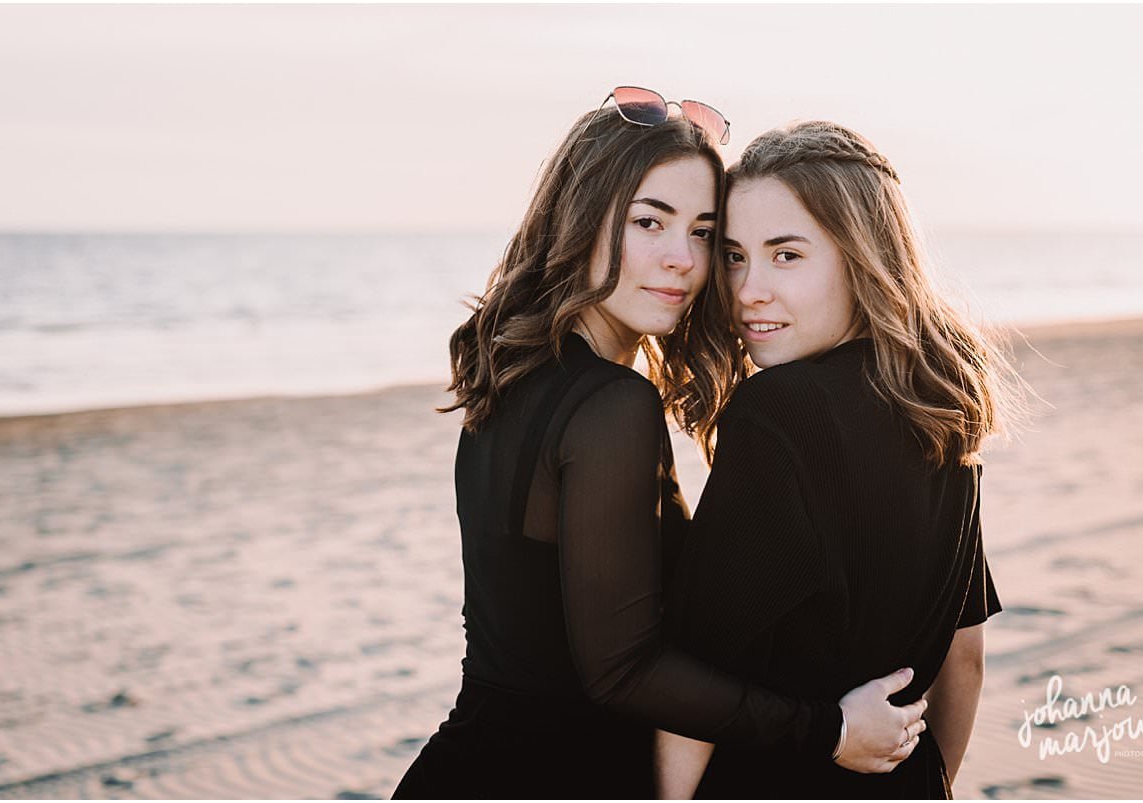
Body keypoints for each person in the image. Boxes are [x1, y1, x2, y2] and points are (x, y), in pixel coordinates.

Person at [392, 91, 926, 799]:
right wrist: (827, 729)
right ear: (580, 216)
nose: (682, 259)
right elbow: (622, 670)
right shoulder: (611, 404)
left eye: (704, 233)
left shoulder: (512, 376)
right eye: (651, 221)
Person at [655, 121, 1018, 799]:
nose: (748, 290)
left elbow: (694, 680)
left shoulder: (778, 412)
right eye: (734, 256)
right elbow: (963, 663)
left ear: (863, 256)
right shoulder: (940, 399)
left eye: (786, 256)